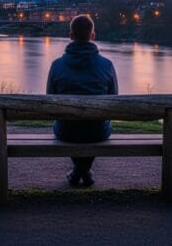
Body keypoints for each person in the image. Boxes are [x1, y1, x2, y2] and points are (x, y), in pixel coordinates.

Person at [46, 14, 118, 187]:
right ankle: (82, 171)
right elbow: (114, 100)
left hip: (66, 130)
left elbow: (49, 99)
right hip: (97, 131)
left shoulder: (56, 65)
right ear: (93, 36)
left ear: (70, 36)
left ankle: (78, 171)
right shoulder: (107, 65)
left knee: (71, 127)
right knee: (95, 128)